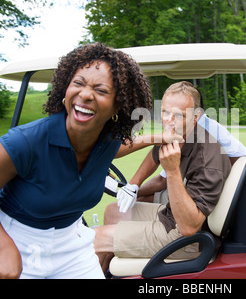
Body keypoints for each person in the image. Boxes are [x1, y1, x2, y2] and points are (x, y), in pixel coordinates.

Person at [0, 43, 155, 279]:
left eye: (101, 90)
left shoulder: (108, 141)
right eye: (78, 83)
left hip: (71, 243)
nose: (85, 94)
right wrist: (3, 246)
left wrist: (157, 137)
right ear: (65, 89)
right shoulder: (23, 142)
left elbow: (121, 146)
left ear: (118, 105)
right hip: (14, 239)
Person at [94, 81, 232, 272]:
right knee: (113, 211)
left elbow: (189, 228)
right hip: (171, 216)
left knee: (94, 239)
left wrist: (173, 170)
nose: (169, 120)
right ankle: (109, 270)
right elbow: (154, 155)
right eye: (165, 112)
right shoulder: (179, 135)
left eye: (179, 115)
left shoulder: (206, 160)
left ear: (195, 117)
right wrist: (134, 185)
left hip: (189, 239)